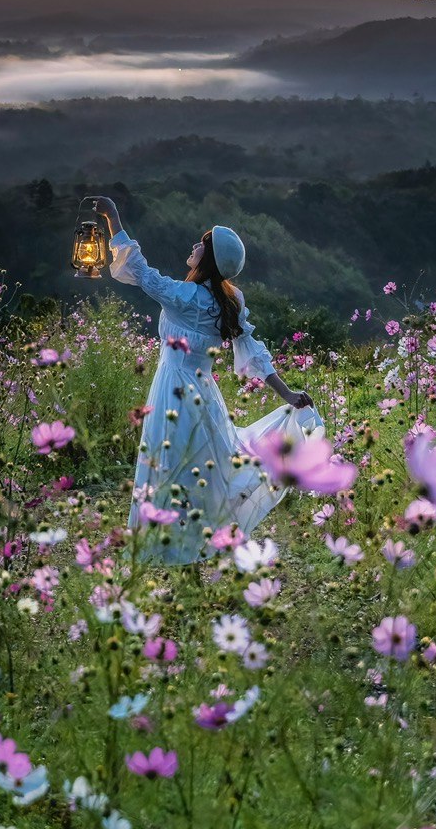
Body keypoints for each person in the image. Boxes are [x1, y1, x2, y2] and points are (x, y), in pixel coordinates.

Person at [91, 195, 320, 563]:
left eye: (202, 244)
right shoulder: (231, 300)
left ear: (208, 259)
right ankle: (193, 553)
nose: (194, 246)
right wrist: (288, 394)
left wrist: (112, 219)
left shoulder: (186, 297)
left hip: (173, 390)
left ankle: (174, 554)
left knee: (171, 470)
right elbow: (254, 352)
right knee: (202, 472)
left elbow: (138, 270)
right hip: (204, 395)